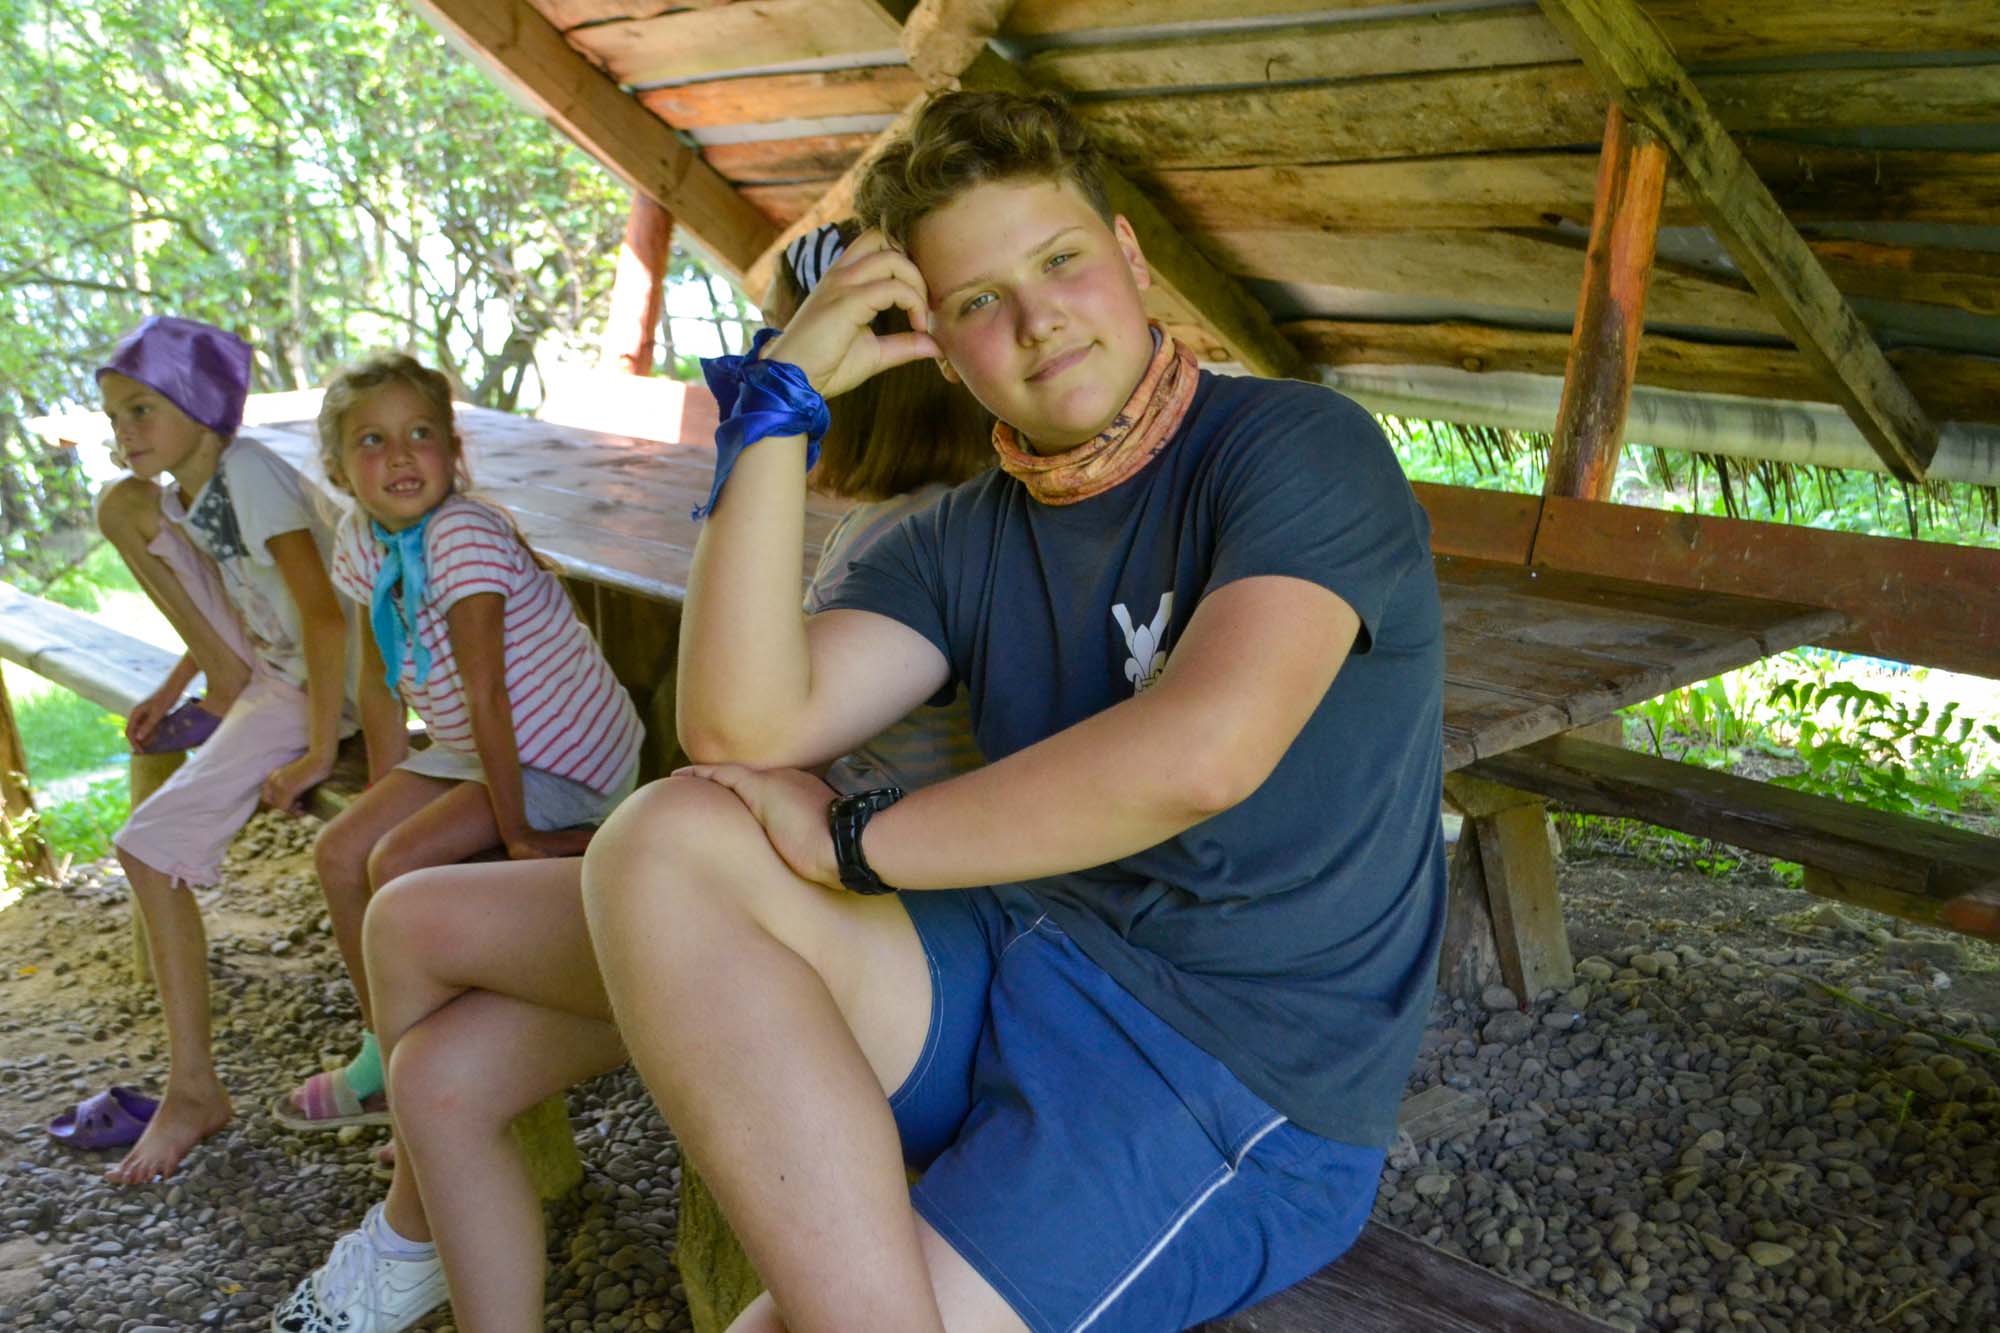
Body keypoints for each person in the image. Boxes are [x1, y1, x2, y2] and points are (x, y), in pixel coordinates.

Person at [580, 89, 1448, 1333]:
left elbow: (1201, 754)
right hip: (1024, 961)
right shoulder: (959, 538)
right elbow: (739, 731)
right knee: (663, 839)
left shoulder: (1296, 449)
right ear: (936, 344)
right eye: (979, 300)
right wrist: (776, 403)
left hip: (1232, 1074)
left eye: (1060, 261)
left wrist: (854, 842)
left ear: (1130, 256)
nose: (1038, 318)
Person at [272, 246, 992, 1331]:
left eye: (780, 345)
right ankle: (417, 1249)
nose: (760, 363)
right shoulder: (894, 522)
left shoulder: (920, 538)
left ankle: (407, 1234)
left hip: (840, 937)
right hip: (781, 900)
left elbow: (737, 736)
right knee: (436, 1077)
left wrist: (757, 459)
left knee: (410, 918)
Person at [272, 353, 645, 1132]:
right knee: (342, 852)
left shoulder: (462, 534)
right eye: (372, 441)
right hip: (473, 747)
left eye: (421, 433)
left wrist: (518, 833)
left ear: (453, 450)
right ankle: (387, 1052)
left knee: (396, 865)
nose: (400, 455)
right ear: (338, 470)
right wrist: (383, 794)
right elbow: (378, 681)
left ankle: (426, 1086)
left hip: (563, 754)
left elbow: (489, 693)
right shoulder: (362, 538)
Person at [92, 315, 354, 1185]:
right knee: (119, 502)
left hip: (317, 685)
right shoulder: (201, 484)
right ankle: (193, 1086)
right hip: (276, 668)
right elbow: (247, 596)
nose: (124, 431)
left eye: (141, 410)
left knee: (147, 849)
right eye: (115, 416)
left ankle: (194, 1090)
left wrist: (321, 749)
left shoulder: (248, 475)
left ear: (198, 403)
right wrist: (179, 680)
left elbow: (325, 617)